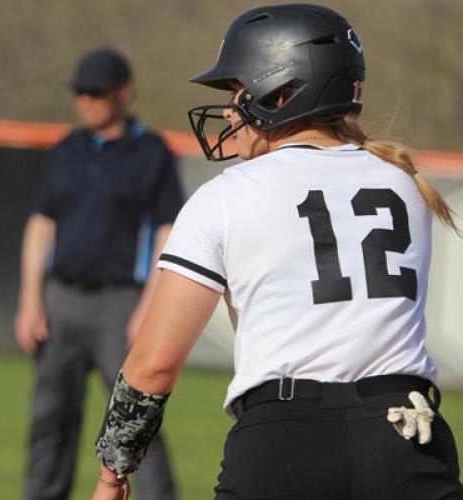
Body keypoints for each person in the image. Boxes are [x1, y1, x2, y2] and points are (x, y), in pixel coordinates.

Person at [91, 6, 463, 500]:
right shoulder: (407, 185)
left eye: (237, 92)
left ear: (282, 91)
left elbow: (152, 365)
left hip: (282, 438)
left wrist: (112, 473)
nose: (228, 110)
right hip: (405, 437)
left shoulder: (227, 195)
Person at [15, 47, 181, 500]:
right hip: (62, 300)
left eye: (96, 93)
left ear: (123, 92)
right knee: (50, 418)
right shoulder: (68, 149)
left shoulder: (151, 152)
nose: (85, 101)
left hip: (120, 303)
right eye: (80, 93)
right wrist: (31, 300)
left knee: (135, 417)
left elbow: (168, 231)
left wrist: (148, 309)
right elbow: (41, 223)